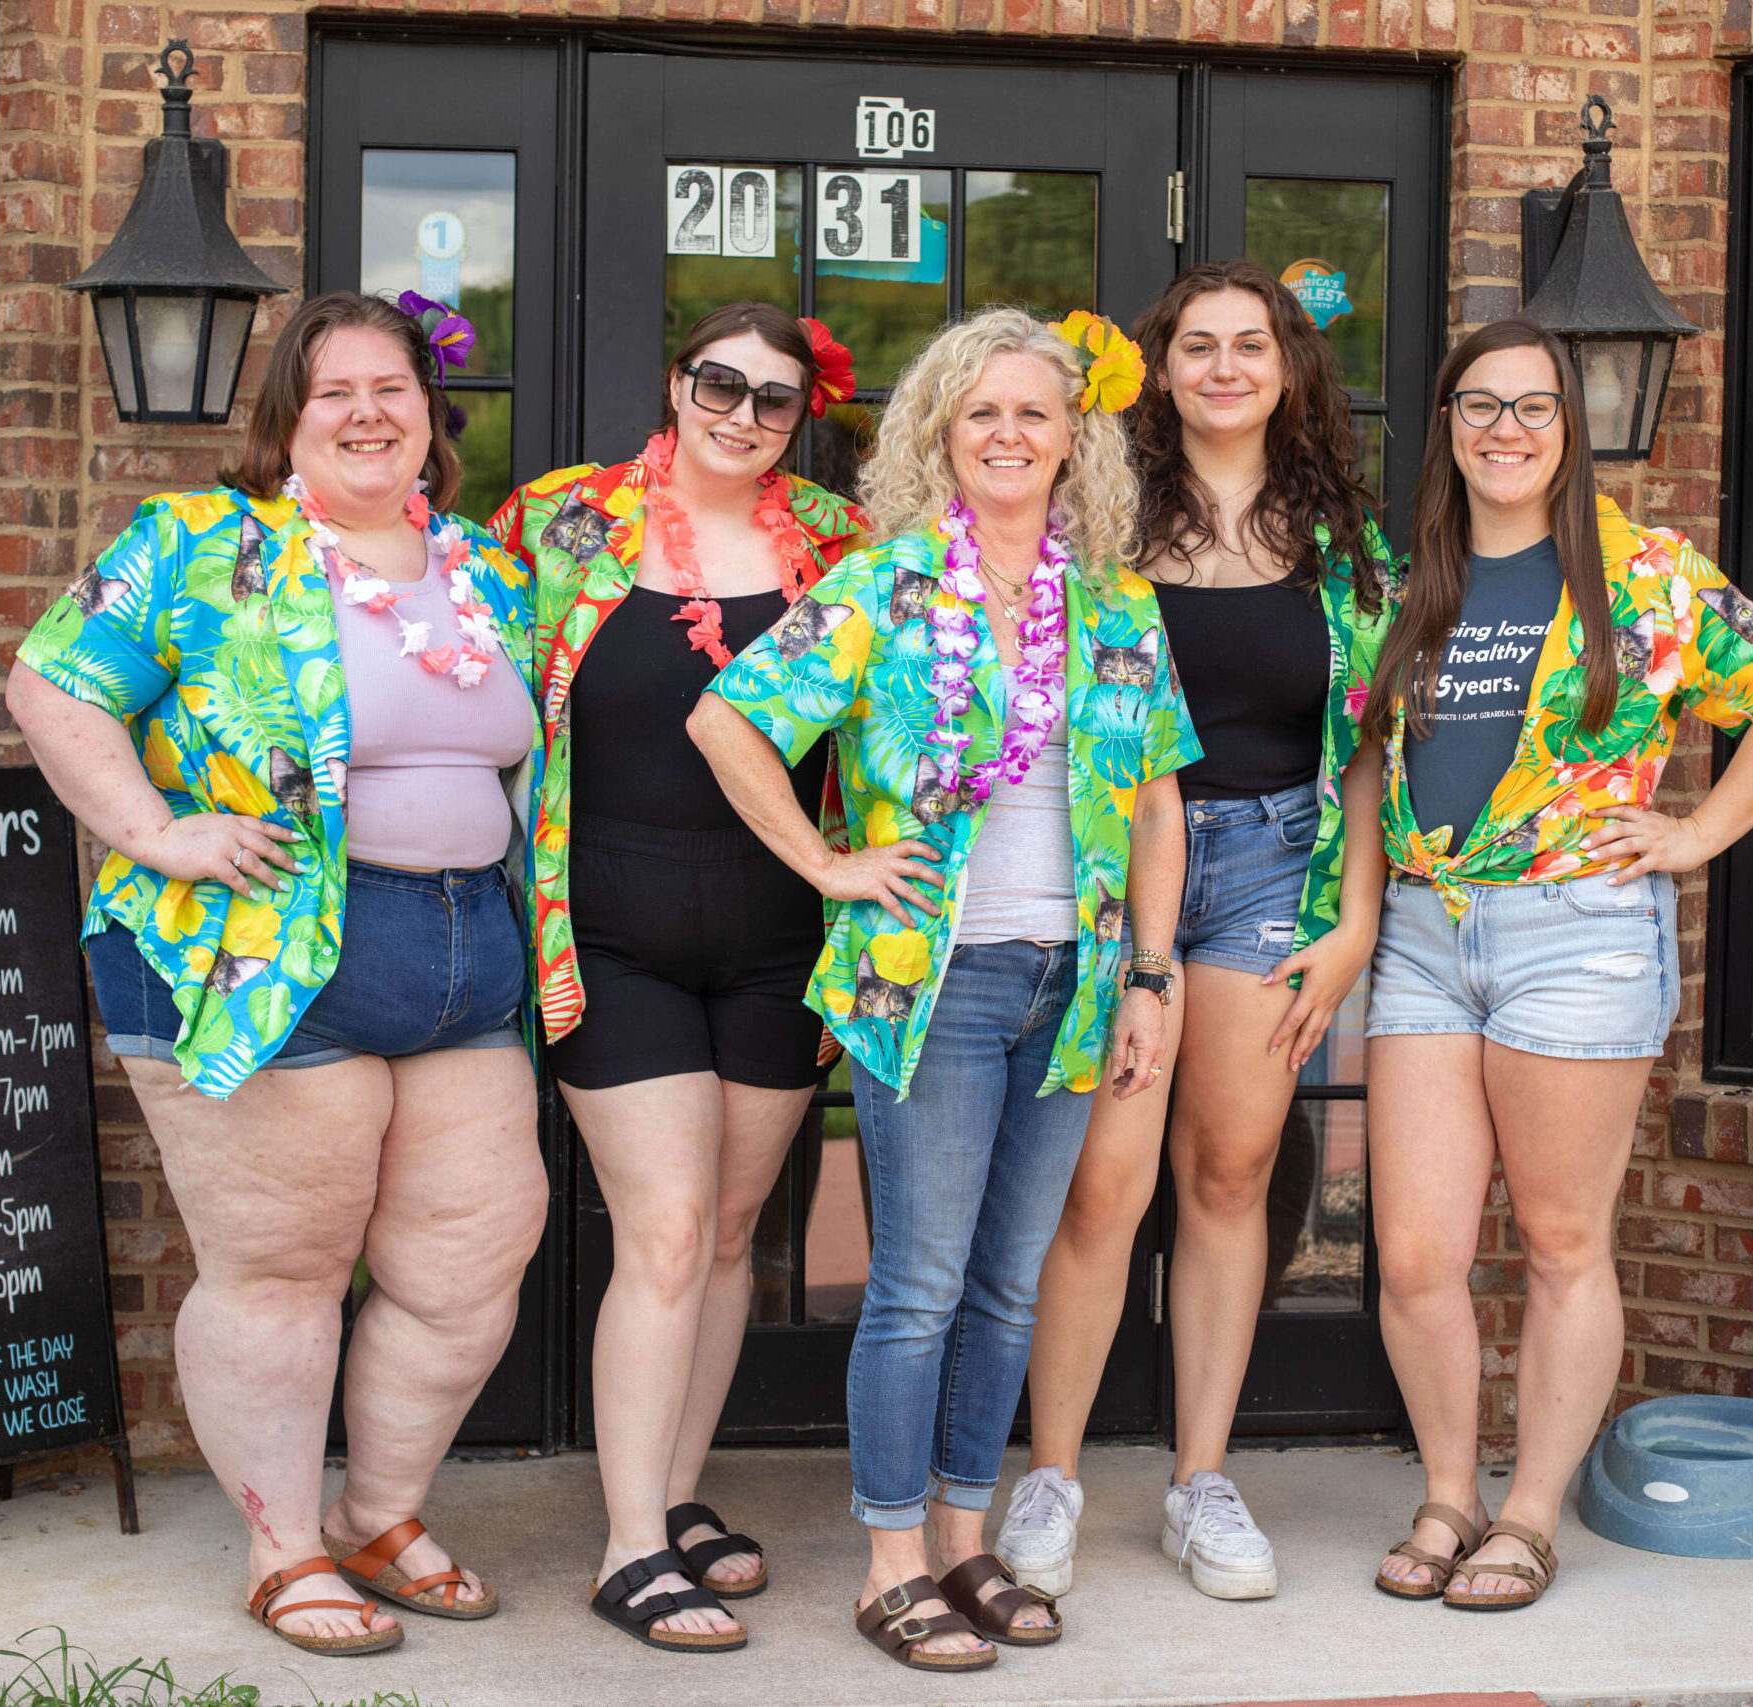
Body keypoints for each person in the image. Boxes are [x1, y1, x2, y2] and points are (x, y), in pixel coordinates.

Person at [8, 290, 549, 1655]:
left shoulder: (486, 571)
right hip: (256, 955)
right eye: (334, 392)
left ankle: (378, 1512)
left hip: (463, 952)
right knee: (281, 1267)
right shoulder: (198, 544)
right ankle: (281, 1546)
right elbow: (53, 686)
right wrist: (154, 832)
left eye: (392, 388)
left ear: (429, 412)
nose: (368, 414)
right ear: (286, 418)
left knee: (472, 1259)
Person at [689, 306, 1196, 1672]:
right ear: (939, 435)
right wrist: (827, 863)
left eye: (1035, 413)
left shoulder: (1118, 605)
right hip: (932, 979)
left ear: (1074, 439)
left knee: (1008, 1286)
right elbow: (726, 718)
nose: (1008, 435)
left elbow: (1158, 802)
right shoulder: (885, 589)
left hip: (1074, 981)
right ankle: (891, 1564)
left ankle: (967, 1542)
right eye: (981, 412)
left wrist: (1150, 975)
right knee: (917, 1285)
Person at [1362, 318, 1753, 1610]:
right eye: (1479, 405)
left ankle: (1526, 1515)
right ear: (1447, 424)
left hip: (1574, 932)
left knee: (1562, 1239)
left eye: (1534, 406)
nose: (1505, 430)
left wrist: (1695, 835)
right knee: (1414, 1255)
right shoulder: (1402, 579)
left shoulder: (1644, 576)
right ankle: (1448, 1495)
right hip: (1423, 932)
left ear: (1569, 427)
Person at [1002, 260, 1396, 1602]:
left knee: (1230, 1172)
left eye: (1250, 345)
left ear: (1289, 369)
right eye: (1197, 346)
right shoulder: (1099, 523)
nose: (1224, 367)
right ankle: (1051, 1475)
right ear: (1159, 372)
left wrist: (1354, 918)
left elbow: (1365, 748)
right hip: (1119, 872)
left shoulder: (1342, 543)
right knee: (1103, 1183)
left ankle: (1200, 1481)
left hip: (1276, 870)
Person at [486, 302, 868, 1653]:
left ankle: (677, 1495)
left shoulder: (841, 543)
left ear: (800, 418)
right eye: (721, 384)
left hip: (781, 934)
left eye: (774, 399)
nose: (742, 416)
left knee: (729, 1231)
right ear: (676, 382)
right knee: (663, 1225)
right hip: (608, 927)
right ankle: (630, 1548)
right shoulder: (555, 524)